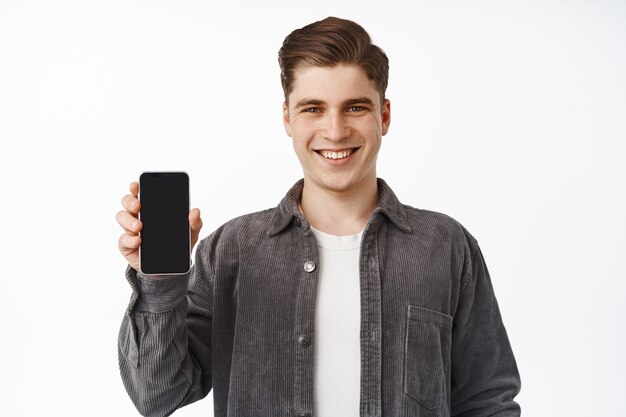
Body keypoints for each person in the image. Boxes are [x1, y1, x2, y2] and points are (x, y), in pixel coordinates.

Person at [117, 16, 521, 417]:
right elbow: (157, 395)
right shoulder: (231, 250)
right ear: (288, 119)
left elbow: (488, 402)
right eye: (313, 108)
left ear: (384, 116)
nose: (335, 130)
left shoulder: (446, 246)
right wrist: (159, 283)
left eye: (355, 107)